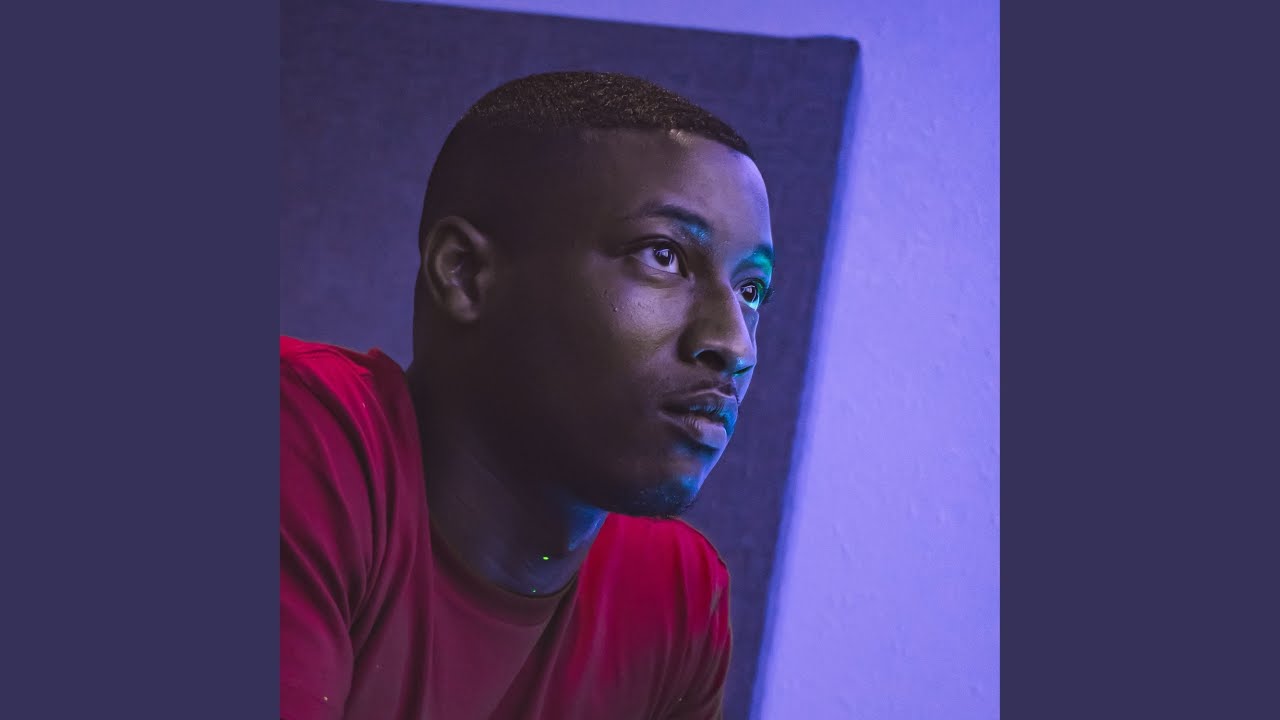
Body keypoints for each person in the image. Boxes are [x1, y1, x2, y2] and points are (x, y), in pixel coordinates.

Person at [281, 71, 775, 720]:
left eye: (751, 289)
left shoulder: (674, 592)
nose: (734, 345)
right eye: (663, 255)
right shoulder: (300, 436)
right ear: (465, 273)